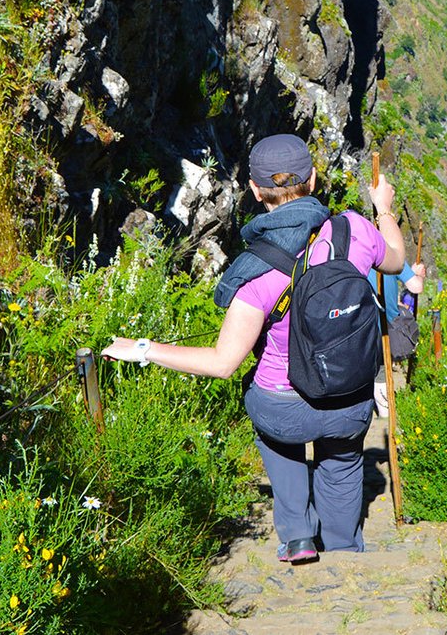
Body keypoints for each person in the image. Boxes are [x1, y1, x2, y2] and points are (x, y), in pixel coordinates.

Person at [103, 134, 405, 564]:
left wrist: (144, 348)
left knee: (267, 411)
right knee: (341, 460)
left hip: (282, 409)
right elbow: (394, 258)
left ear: (256, 189)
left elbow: (223, 363)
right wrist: (384, 209)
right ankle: (343, 548)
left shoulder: (254, 269)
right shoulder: (353, 229)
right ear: (313, 179)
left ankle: (299, 535)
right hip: (349, 399)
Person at [373, 261, 425, 416]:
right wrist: (418, 275)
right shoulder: (390, 254)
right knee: (381, 366)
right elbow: (416, 287)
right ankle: (385, 412)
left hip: (357, 323)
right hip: (385, 326)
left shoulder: (350, 252)